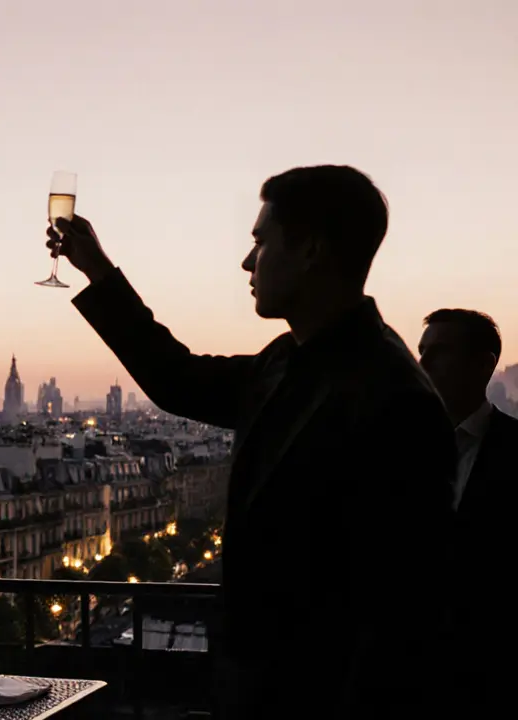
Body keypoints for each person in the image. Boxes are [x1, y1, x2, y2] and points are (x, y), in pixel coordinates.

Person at [48, 165, 454, 719]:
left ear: (310, 249)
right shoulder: (295, 361)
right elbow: (176, 378)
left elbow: (399, 611)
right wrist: (97, 268)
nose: (247, 261)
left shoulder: (394, 399)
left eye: (260, 241)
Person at [417, 308, 515, 713]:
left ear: (483, 364)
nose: (422, 364)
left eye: (439, 353)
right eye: (421, 353)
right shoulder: (390, 449)